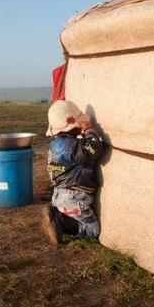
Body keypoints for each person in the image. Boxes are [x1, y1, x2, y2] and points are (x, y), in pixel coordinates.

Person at [40, 100, 105, 246]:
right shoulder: (72, 147)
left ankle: (59, 216)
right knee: (92, 230)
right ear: (72, 125)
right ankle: (60, 221)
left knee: (78, 219)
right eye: (79, 124)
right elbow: (94, 148)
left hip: (60, 194)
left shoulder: (56, 146)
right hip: (74, 197)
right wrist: (89, 129)